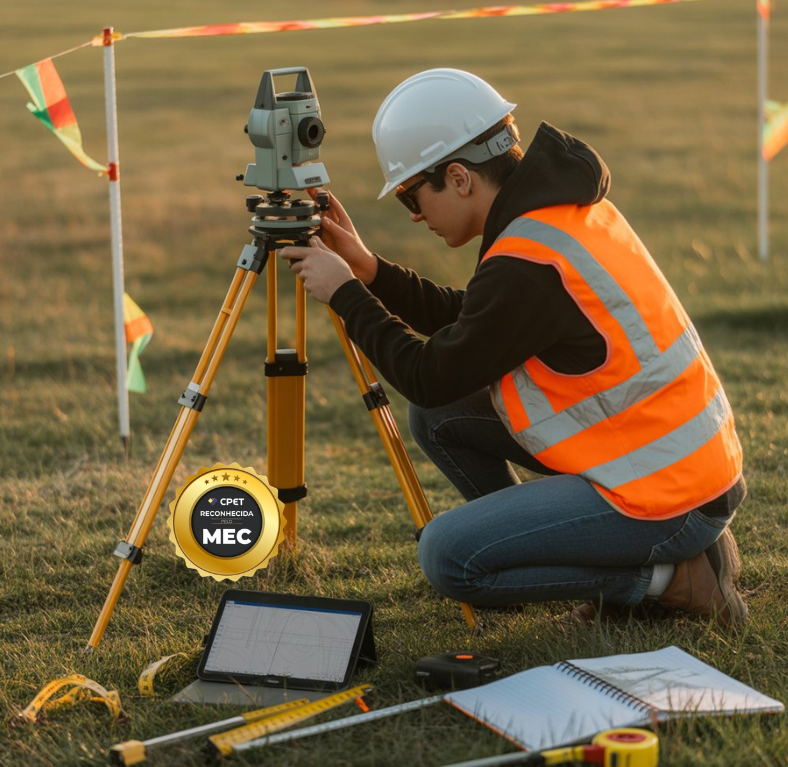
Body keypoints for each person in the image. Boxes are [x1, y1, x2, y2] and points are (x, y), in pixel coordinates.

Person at [279, 68, 748, 627]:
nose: (415, 215)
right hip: (677, 469)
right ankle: (546, 553)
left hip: (666, 495)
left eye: (411, 195)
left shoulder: (528, 260)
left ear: (458, 178)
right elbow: (475, 324)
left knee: (448, 556)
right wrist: (370, 270)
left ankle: (674, 579)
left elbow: (430, 371)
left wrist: (346, 295)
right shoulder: (553, 212)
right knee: (439, 414)